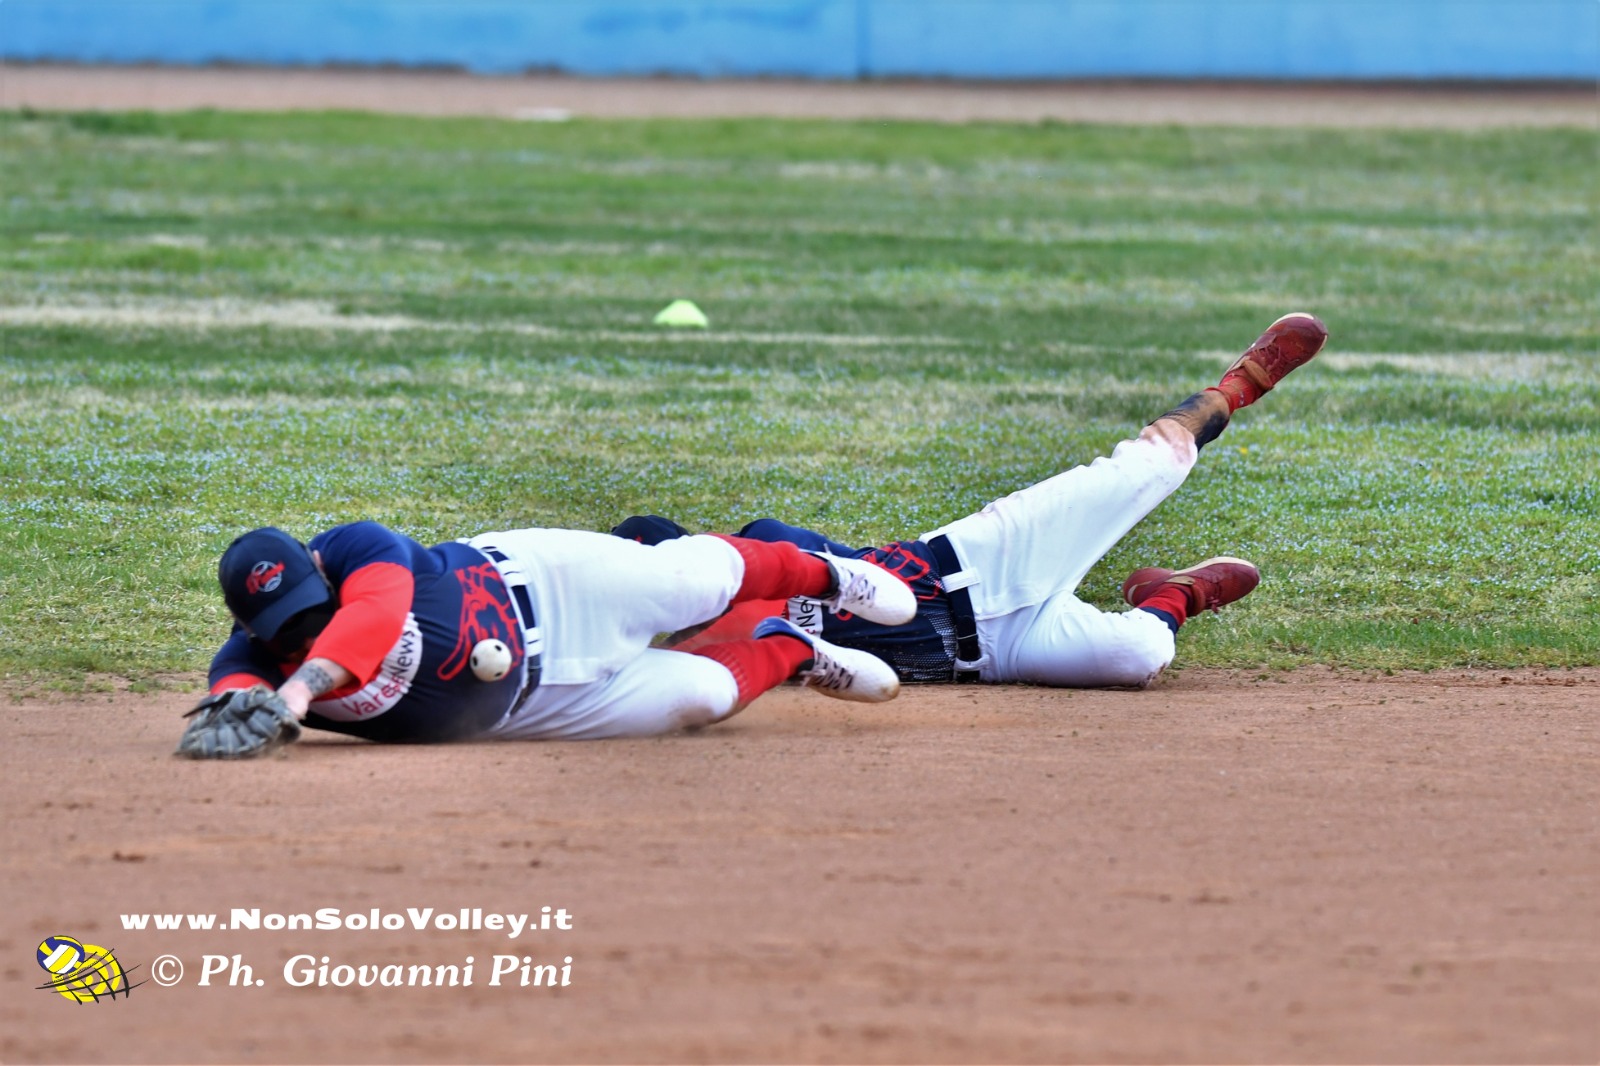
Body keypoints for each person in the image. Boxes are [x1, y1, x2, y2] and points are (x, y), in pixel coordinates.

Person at [612, 312, 1328, 689]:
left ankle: (1240, 383)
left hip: (987, 559)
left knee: (1155, 464)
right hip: (996, 654)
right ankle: (1174, 595)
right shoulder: (700, 649)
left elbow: (771, 566)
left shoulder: (751, 557)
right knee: (1137, 655)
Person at [175, 523, 918, 758]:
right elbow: (231, 691)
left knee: (692, 583)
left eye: (311, 610)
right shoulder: (250, 657)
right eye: (287, 632)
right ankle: (791, 648)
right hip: (531, 713)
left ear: (317, 567)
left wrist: (299, 693)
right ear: (252, 629)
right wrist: (236, 706)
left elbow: (367, 626)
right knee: (702, 695)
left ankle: (821, 574)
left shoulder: (359, 550)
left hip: (551, 584)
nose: (304, 634)